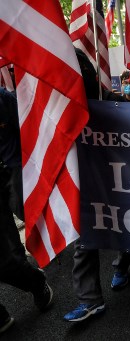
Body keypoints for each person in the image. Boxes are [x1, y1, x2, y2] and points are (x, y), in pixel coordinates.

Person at [64, 49, 125, 322]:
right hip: (86, 183)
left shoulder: (108, 100)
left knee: (128, 228)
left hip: (121, 182)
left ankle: (122, 266)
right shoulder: (61, 106)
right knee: (85, 239)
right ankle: (90, 300)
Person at [0, 87, 53, 334]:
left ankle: (35, 280)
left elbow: (27, 129)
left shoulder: (4, 99)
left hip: (9, 169)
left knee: (7, 259)